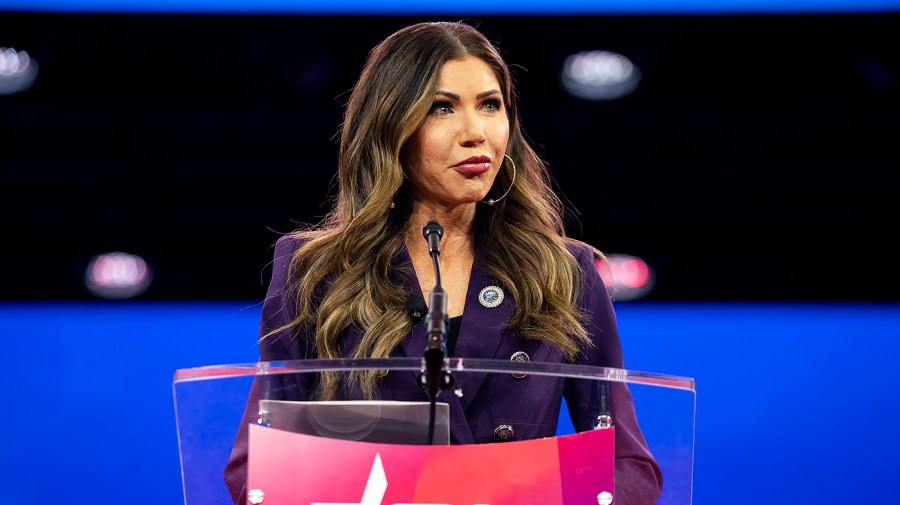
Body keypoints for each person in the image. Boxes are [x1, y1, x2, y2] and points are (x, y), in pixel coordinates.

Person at [224, 20, 662, 504]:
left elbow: (628, 463)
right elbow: (255, 467)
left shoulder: (565, 274)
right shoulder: (316, 272)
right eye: (442, 108)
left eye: (491, 105)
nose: (475, 133)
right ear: (392, 125)